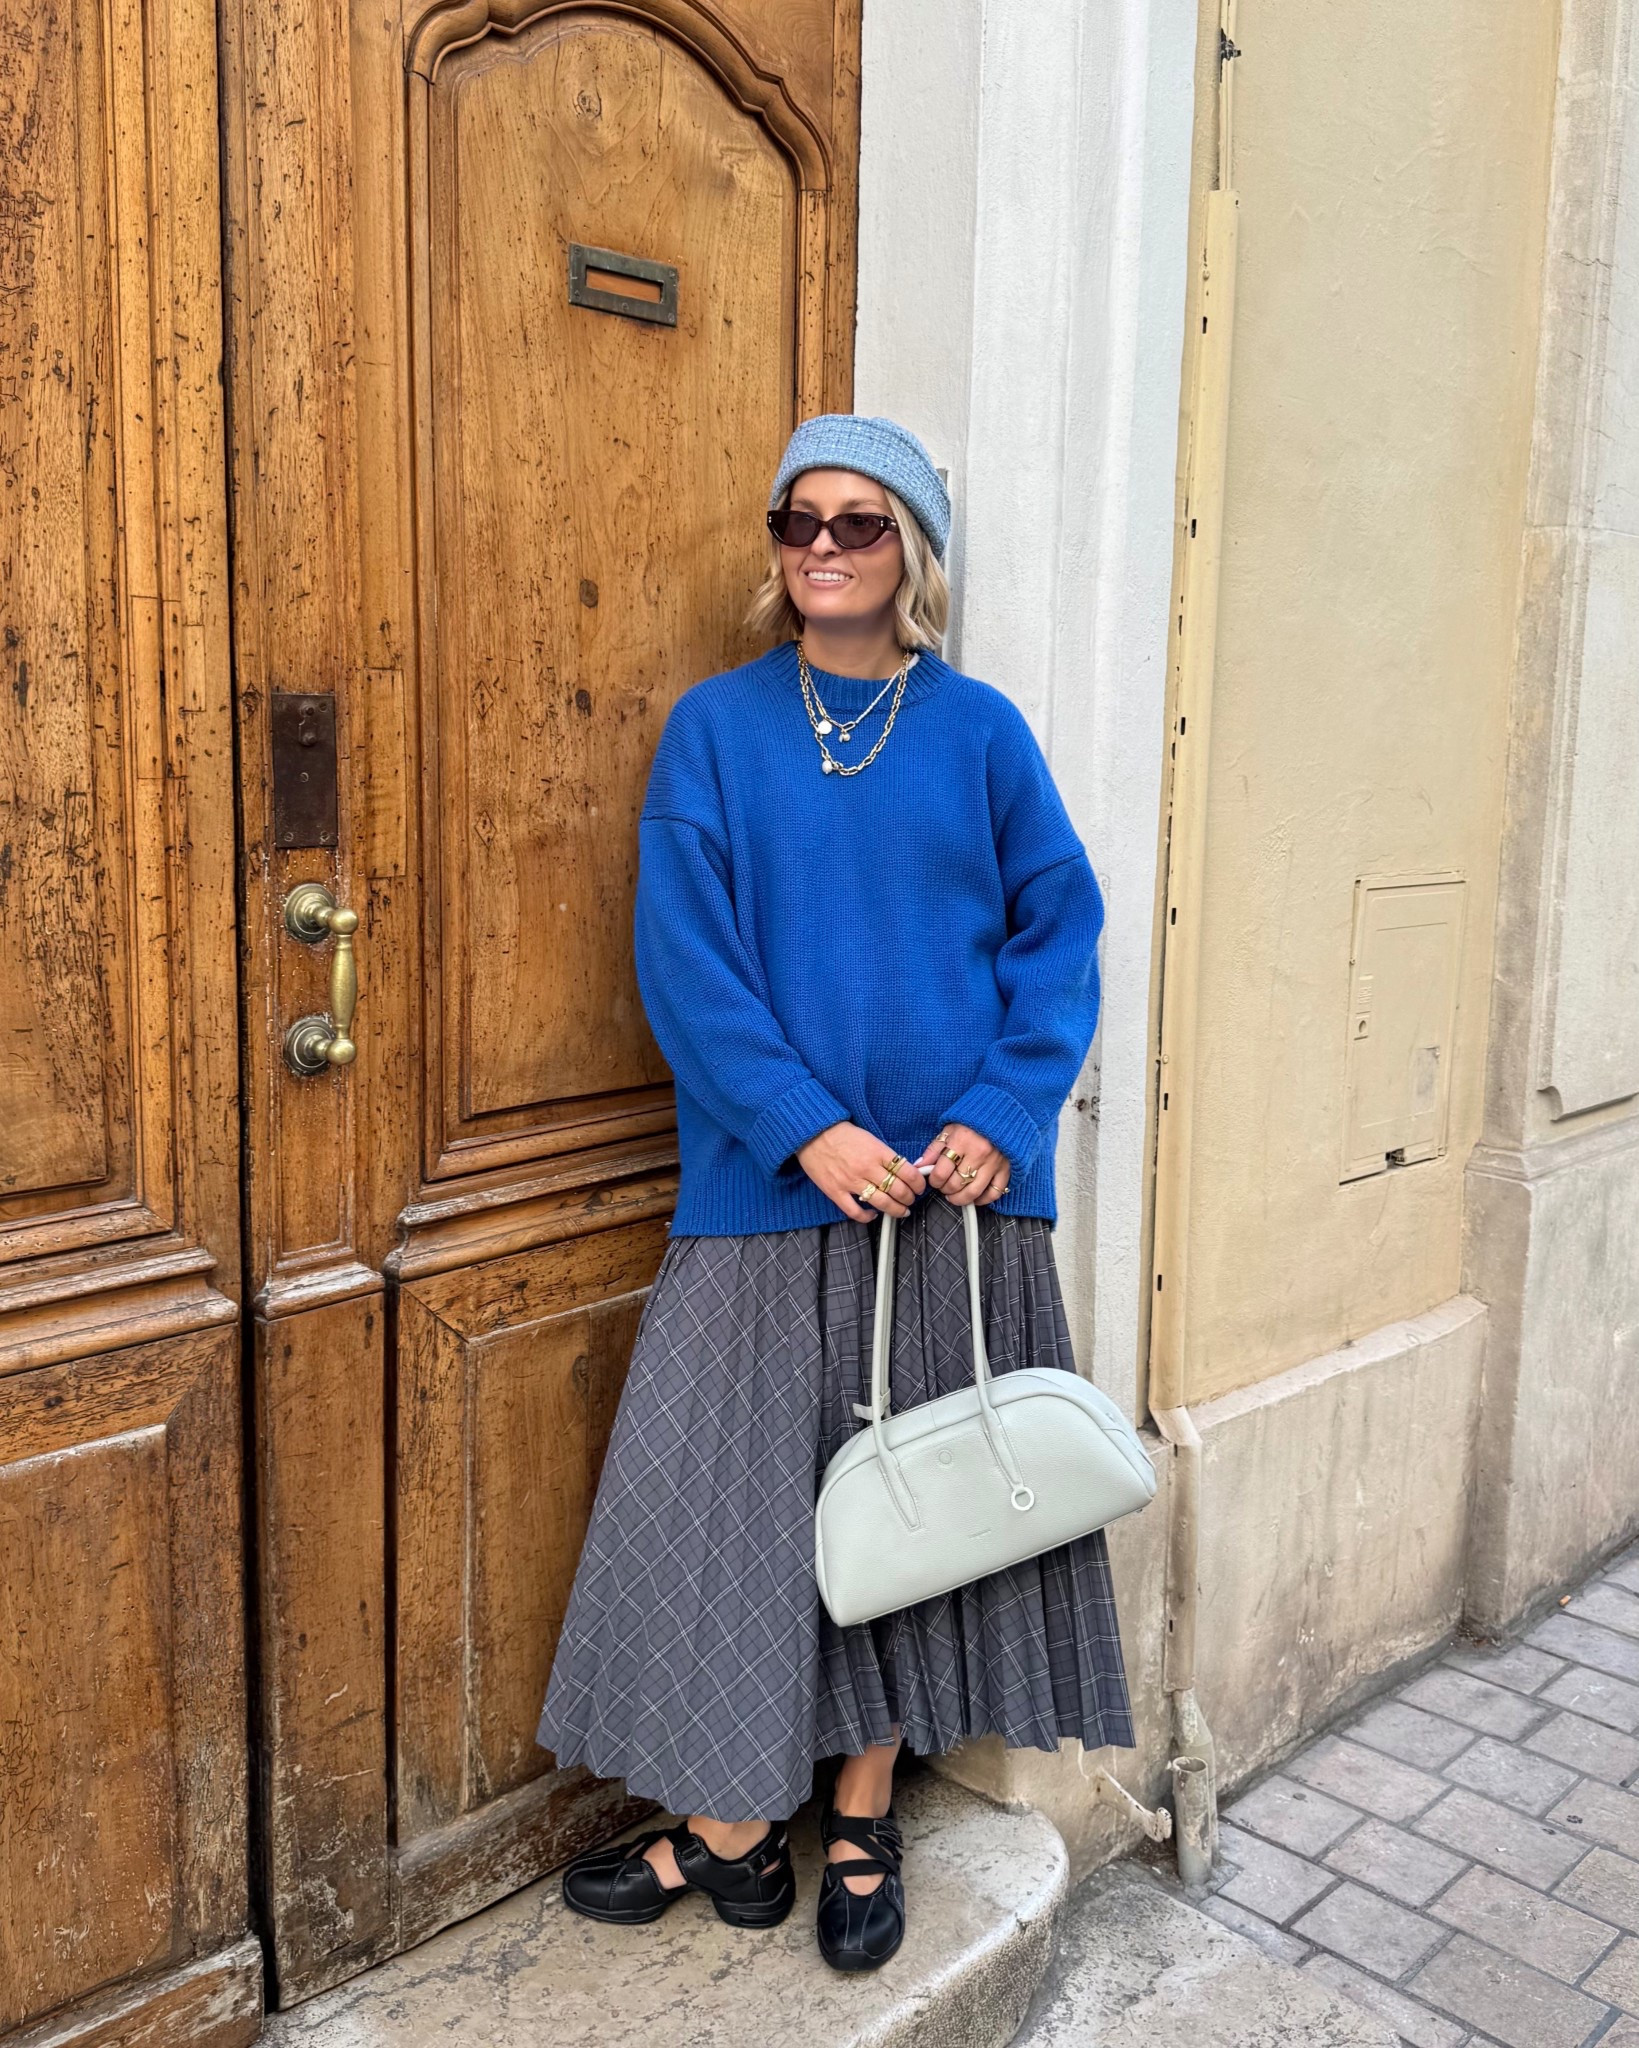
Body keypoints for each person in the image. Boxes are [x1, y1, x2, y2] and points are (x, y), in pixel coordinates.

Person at [537, 413, 1133, 1972]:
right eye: (798, 522)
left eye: (860, 524)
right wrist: (804, 1127)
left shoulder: (983, 731)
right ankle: (735, 1822)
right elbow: (689, 964)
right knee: (734, 1512)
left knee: (911, 1517)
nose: (821, 549)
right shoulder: (715, 731)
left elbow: (1057, 931)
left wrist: (1005, 1110)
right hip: (771, 1185)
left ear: (913, 551)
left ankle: (861, 1812)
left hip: (948, 1197)